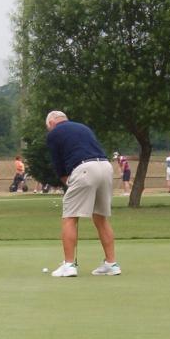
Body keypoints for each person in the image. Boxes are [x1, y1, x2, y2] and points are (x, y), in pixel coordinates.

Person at [45, 110, 120, 277]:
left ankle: (69, 265)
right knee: (100, 217)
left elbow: (59, 165)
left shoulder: (54, 134)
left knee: (70, 217)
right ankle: (111, 264)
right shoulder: (83, 128)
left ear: (51, 123)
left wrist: (67, 182)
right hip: (105, 167)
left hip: (84, 169)